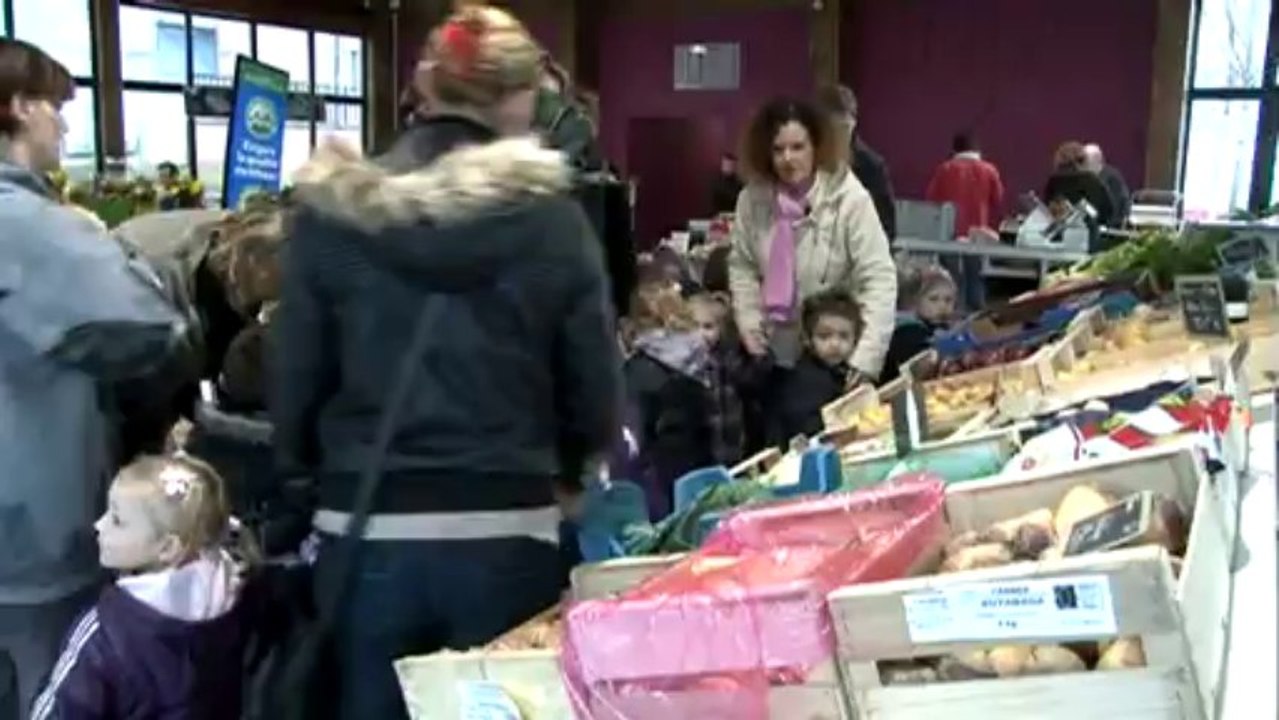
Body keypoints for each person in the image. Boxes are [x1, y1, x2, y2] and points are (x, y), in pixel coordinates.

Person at [271, 7, 620, 719]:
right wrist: (574, 470)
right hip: (506, 526)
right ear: (522, 98)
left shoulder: (334, 214)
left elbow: (295, 379)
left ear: (424, 87)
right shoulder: (552, 220)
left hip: (363, 526)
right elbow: (592, 382)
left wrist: (310, 470)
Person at [0, 38, 182, 714]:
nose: (65, 124)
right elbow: (153, 326)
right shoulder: (35, 227)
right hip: (30, 542)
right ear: (19, 108)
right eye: (54, 106)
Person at [30, 455, 261, 720]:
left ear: (167, 548)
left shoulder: (105, 633)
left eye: (117, 520)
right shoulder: (238, 598)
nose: (99, 525)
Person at [728, 97, 897, 384]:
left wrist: (865, 359)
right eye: (778, 149)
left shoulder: (850, 199)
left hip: (835, 355)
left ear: (816, 147)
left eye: (798, 147)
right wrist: (749, 321)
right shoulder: (751, 199)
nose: (788, 159)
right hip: (772, 353)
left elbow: (878, 277)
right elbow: (742, 265)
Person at [624, 281, 713, 519]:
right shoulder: (700, 359)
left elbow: (634, 442)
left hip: (657, 492)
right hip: (701, 480)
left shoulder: (638, 372)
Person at [768, 290, 862, 446]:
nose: (835, 344)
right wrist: (844, 401)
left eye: (844, 336)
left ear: (855, 340)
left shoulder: (842, 370)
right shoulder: (803, 379)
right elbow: (808, 429)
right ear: (808, 339)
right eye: (824, 336)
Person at [925, 132, 1004, 312]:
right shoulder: (989, 170)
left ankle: (951, 315)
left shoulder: (945, 169)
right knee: (976, 277)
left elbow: (931, 199)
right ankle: (976, 319)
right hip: (978, 234)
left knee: (951, 279)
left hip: (949, 233)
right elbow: (997, 199)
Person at [815, 84, 896, 240]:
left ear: (854, 123)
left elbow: (887, 227)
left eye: (843, 127)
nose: (837, 135)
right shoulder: (808, 160)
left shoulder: (872, 166)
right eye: (831, 127)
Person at [882, 262, 958, 383]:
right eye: (933, 299)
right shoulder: (907, 330)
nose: (942, 306)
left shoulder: (939, 327)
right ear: (914, 301)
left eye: (948, 300)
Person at [1044, 141, 1117, 233]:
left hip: (1060, 233)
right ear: (1084, 160)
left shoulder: (1053, 181)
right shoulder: (1092, 180)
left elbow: (1046, 209)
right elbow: (1108, 211)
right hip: (1089, 233)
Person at [1083, 143, 1130, 227]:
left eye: (1086, 160)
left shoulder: (1112, 177)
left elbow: (1116, 206)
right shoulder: (1086, 177)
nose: (1083, 164)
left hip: (1110, 225)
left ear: (1097, 160)